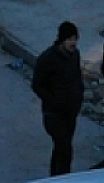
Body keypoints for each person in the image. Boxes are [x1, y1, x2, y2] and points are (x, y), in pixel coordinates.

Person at [31, 21, 85, 176]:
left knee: (61, 148)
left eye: (75, 38)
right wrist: (53, 101)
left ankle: (55, 177)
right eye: (69, 39)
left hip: (70, 112)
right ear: (62, 40)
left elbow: (77, 77)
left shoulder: (74, 55)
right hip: (54, 114)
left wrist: (79, 94)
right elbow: (37, 85)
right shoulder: (48, 58)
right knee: (65, 149)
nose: (73, 42)